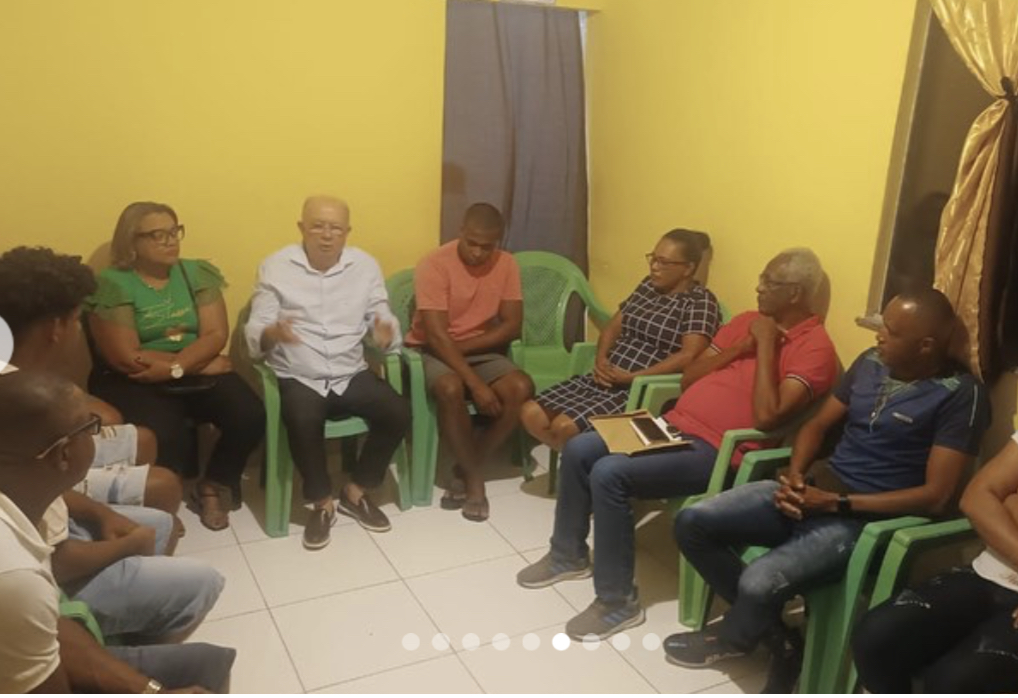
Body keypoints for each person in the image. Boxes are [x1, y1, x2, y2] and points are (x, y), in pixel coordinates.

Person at [667, 287, 991, 693]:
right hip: (817, 490)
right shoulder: (870, 363)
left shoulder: (961, 395)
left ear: (925, 345)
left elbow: (937, 496)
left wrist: (836, 503)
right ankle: (780, 639)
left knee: (758, 582)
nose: (879, 335)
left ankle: (738, 638)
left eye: (891, 331)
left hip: (862, 521)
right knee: (692, 522)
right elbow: (816, 426)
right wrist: (796, 475)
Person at [518, 249, 839, 641]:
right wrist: (742, 347)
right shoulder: (746, 322)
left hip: (717, 451)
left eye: (769, 282)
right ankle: (567, 554)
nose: (758, 287)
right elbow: (690, 377)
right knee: (581, 447)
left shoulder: (816, 349)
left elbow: (768, 418)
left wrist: (768, 347)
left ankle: (618, 602)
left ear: (795, 293)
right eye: (761, 278)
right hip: (671, 426)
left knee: (610, 473)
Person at [0, 369, 235, 693]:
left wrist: (149, 690)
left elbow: (52, 626)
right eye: (90, 428)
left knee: (163, 526)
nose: (97, 437)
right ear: (64, 454)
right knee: (208, 653)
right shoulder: (16, 577)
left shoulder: (21, 487)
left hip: (39, 628)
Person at [86, 202, 266, 530]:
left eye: (174, 231)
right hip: (134, 378)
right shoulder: (114, 283)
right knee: (163, 431)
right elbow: (127, 356)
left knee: (249, 413)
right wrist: (191, 366)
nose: (170, 241)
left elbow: (215, 334)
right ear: (131, 241)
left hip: (188, 365)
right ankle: (161, 504)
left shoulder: (196, 273)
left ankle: (214, 484)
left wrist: (179, 367)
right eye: (157, 235)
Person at [246, 196, 410, 550]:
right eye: (317, 226)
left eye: (335, 228)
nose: (326, 235)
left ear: (347, 232)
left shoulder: (364, 266)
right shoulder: (276, 266)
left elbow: (380, 314)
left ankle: (356, 491)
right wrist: (272, 333)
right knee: (302, 417)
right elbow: (258, 325)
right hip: (299, 372)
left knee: (397, 411)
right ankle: (322, 503)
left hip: (349, 370)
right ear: (301, 228)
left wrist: (385, 332)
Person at [0, 246, 181, 516]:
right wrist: (97, 514)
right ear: (55, 328)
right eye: (76, 321)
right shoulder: (16, 399)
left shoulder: (19, 364)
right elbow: (23, 485)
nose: (78, 330)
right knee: (164, 486)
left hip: (40, 464)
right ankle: (153, 529)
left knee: (144, 440)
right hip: (28, 494)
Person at [520, 229, 721, 450]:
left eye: (663, 262)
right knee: (530, 413)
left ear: (688, 268)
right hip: (606, 377)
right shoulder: (648, 287)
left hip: (638, 390)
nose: (654, 267)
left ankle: (581, 459)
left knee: (563, 428)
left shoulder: (700, 302)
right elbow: (612, 328)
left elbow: (688, 356)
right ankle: (578, 457)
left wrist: (633, 377)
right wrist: (601, 359)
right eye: (653, 258)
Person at [851, 432, 1018, 693]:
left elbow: (1001, 499)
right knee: (876, 636)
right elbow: (977, 497)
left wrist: (1008, 503)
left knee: (957, 680)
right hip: (991, 570)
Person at [404, 202, 534, 522]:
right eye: (471, 243)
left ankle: (464, 466)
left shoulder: (506, 264)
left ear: (498, 240)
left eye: (486, 246)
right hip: (430, 349)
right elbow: (436, 336)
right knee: (450, 387)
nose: (477, 252)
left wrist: (461, 348)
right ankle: (475, 482)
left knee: (521, 387)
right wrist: (475, 384)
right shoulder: (434, 264)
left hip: (475, 347)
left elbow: (511, 325)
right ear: (461, 231)